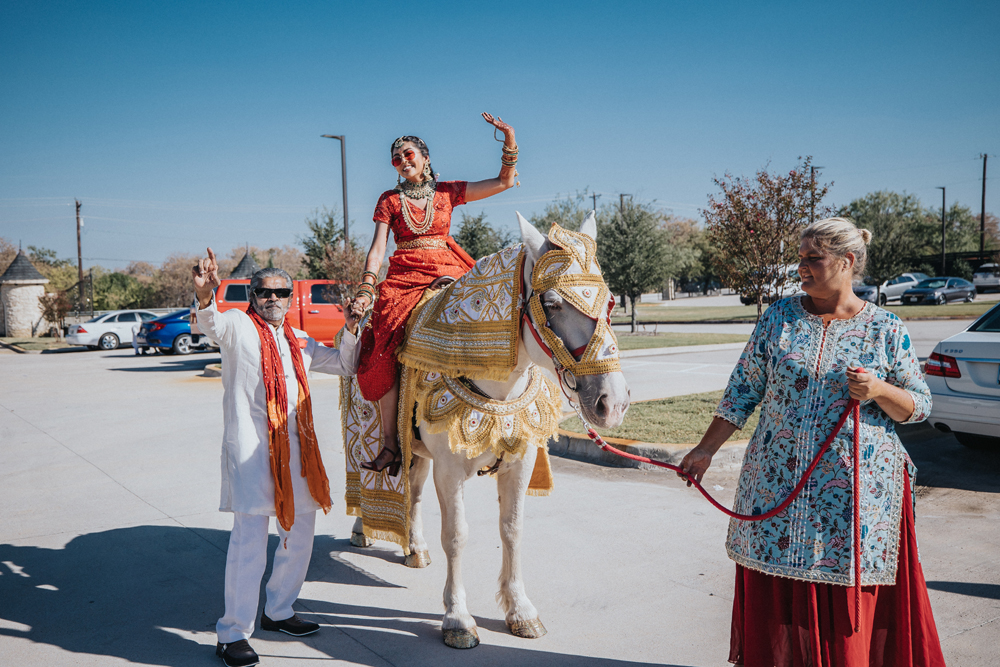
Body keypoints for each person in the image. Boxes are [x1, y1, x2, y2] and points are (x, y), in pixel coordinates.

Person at [679, 218, 946, 666]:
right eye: (800, 257)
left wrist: (880, 390)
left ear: (847, 262)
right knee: (780, 595)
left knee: (845, 603)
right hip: (776, 484)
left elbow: (919, 406)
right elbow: (743, 389)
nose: (801, 267)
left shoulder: (885, 328)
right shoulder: (779, 317)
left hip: (854, 495)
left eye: (812, 259)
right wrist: (706, 448)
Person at [192, 250, 365, 667]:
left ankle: (279, 611)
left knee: (300, 536)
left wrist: (353, 327)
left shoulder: (299, 341)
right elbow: (210, 323)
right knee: (249, 543)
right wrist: (203, 295)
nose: (273, 298)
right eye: (264, 292)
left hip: (298, 456)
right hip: (252, 454)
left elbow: (346, 364)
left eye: (282, 292)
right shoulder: (236, 327)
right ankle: (232, 634)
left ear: (290, 298)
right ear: (252, 296)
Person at [353, 112, 519, 474]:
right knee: (382, 343)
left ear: (426, 158)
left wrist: (508, 138)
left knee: (494, 313)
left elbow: (505, 182)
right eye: (397, 158)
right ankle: (391, 444)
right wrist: (367, 289)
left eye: (409, 154)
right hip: (405, 275)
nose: (403, 161)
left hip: (448, 268)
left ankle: (508, 422)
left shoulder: (447, 192)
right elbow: (378, 249)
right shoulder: (389, 200)